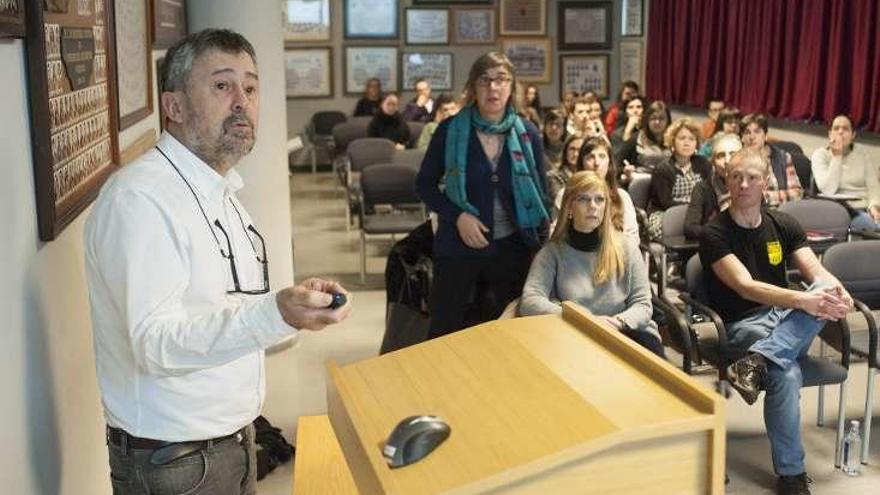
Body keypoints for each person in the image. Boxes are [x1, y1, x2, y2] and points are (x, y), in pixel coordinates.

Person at [83, 29, 352, 495]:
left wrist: (294, 306)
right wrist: (274, 313)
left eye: (250, 88)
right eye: (222, 86)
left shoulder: (217, 188)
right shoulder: (141, 200)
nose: (242, 102)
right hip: (177, 462)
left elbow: (221, 305)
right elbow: (156, 345)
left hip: (231, 441)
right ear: (175, 106)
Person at [699, 148, 853, 495]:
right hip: (740, 325)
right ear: (726, 180)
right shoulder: (714, 233)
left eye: (752, 177)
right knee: (787, 373)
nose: (743, 184)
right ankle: (792, 476)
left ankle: (760, 361)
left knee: (825, 289)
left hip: (781, 318)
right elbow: (746, 287)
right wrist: (807, 301)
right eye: (736, 176)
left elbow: (816, 272)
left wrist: (837, 292)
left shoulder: (783, 223)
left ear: (765, 183)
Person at [415, 51, 550, 339]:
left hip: (513, 249)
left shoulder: (527, 133)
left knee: (514, 334)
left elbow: (542, 194)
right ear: (473, 88)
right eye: (484, 80)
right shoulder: (449, 131)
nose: (493, 88)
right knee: (446, 333)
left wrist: (543, 247)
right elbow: (424, 185)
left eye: (501, 80)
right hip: (457, 248)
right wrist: (457, 215)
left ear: (512, 86)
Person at [520, 172, 664, 356]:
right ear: (569, 207)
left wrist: (615, 323)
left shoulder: (626, 247)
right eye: (583, 199)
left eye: (599, 200)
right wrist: (583, 320)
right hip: (575, 334)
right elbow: (530, 301)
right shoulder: (552, 252)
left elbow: (643, 304)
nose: (593, 206)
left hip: (627, 331)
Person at [556, 138, 639, 243]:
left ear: (609, 163)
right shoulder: (565, 194)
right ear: (582, 163)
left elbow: (632, 239)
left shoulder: (622, 197)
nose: (597, 163)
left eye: (602, 156)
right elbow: (558, 235)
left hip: (616, 254)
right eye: (590, 157)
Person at [810, 114, 880, 232]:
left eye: (845, 129)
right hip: (841, 211)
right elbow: (827, 189)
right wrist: (837, 156)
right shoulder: (820, 155)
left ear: (853, 135)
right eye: (836, 128)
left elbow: (873, 186)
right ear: (829, 134)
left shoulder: (862, 152)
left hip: (866, 208)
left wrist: (874, 206)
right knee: (874, 227)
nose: (840, 132)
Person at [646, 118, 711, 239]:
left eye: (691, 139)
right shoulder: (663, 169)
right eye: (682, 138)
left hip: (696, 214)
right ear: (672, 142)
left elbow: (709, 194)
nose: (687, 143)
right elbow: (665, 203)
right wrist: (694, 206)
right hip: (665, 214)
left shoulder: (704, 164)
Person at [684, 134, 742, 240]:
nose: (727, 161)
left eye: (733, 154)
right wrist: (719, 234)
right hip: (715, 247)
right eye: (720, 156)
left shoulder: (752, 185)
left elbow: (764, 221)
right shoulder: (702, 189)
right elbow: (690, 227)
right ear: (713, 162)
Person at [740, 113, 803, 207]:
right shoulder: (737, 161)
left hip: (781, 212)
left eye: (757, 132)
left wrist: (765, 197)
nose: (752, 137)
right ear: (742, 138)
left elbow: (797, 193)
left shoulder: (783, 157)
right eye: (747, 132)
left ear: (765, 136)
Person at [616, 100, 672, 175]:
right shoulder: (636, 138)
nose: (657, 122)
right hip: (642, 182)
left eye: (661, 119)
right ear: (647, 120)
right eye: (653, 118)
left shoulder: (674, 139)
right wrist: (625, 170)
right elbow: (617, 163)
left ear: (667, 121)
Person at [546, 134, 585, 206]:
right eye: (572, 149)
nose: (575, 154)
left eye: (579, 150)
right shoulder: (553, 176)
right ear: (565, 151)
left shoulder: (588, 176)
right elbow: (561, 202)